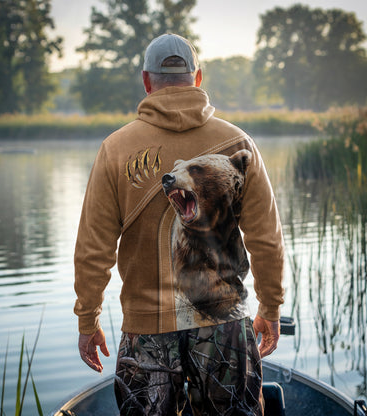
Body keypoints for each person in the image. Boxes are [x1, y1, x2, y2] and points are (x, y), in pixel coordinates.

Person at [74, 33, 284, 415]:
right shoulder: (238, 143)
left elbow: (93, 249)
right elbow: (267, 239)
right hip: (225, 324)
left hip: (145, 329)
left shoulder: (115, 148)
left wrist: (88, 319)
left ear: (146, 81)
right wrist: (270, 306)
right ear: (198, 77)